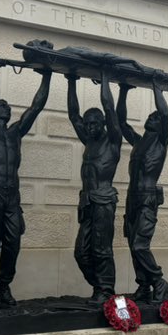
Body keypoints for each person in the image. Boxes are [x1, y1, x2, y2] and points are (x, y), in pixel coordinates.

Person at [0, 50, 52, 308]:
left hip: (12, 196)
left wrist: (46, 75)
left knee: (13, 242)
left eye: (7, 104)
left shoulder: (15, 133)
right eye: (1, 104)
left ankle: (5, 284)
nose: (7, 106)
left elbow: (37, 106)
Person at [67, 67, 122, 304]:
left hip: (104, 201)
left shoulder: (113, 140)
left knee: (101, 249)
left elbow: (110, 108)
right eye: (87, 124)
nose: (89, 127)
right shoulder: (88, 141)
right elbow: (73, 114)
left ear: (103, 124)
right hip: (87, 202)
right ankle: (100, 287)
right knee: (81, 253)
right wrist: (71, 80)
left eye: (94, 123)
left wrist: (104, 79)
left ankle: (105, 289)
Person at [117, 78, 168, 303]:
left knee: (141, 245)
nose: (152, 117)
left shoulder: (161, 141)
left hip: (148, 197)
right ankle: (143, 285)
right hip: (132, 197)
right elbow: (121, 122)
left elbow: (165, 113)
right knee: (133, 244)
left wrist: (157, 89)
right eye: (150, 116)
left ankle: (159, 281)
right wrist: (123, 91)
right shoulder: (139, 142)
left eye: (155, 117)